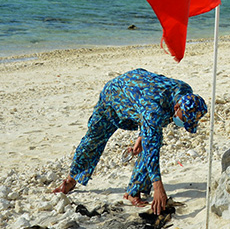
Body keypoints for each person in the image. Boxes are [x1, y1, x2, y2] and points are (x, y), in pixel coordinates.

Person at [53, 69, 207, 215]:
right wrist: (158, 188)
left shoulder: (185, 90)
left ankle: (134, 190)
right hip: (115, 94)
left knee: (152, 139)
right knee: (94, 139)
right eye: (183, 119)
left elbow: (150, 116)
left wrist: (142, 135)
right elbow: (151, 146)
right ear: (177, 106)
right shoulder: (154, 110)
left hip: (140, 95)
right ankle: (71, 179)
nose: (181, 123)